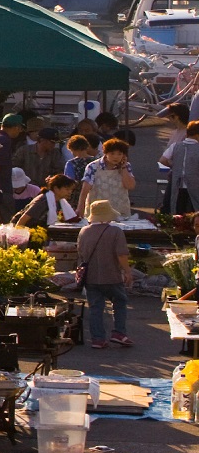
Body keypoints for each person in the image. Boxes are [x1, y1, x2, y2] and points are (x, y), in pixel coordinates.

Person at [77, 199, 133, 349]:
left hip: (91, 277)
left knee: (96, 307)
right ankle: (119, 333)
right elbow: (121, 255)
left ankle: (98, 339)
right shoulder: (115, 231)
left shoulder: (83, 231)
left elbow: (81, 253)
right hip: (112, 276)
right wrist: (127, 272)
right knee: (120, 302)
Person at [81, 138, 137, 219]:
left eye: (119, 154)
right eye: (112, 153)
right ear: (106, 153)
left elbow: (130, 186)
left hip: (120, 213)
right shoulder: (93, 166)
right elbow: (85, 190)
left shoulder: (126, 166)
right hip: (97, 214)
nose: (116, 157)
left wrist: (123, 168)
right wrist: (80, 208)